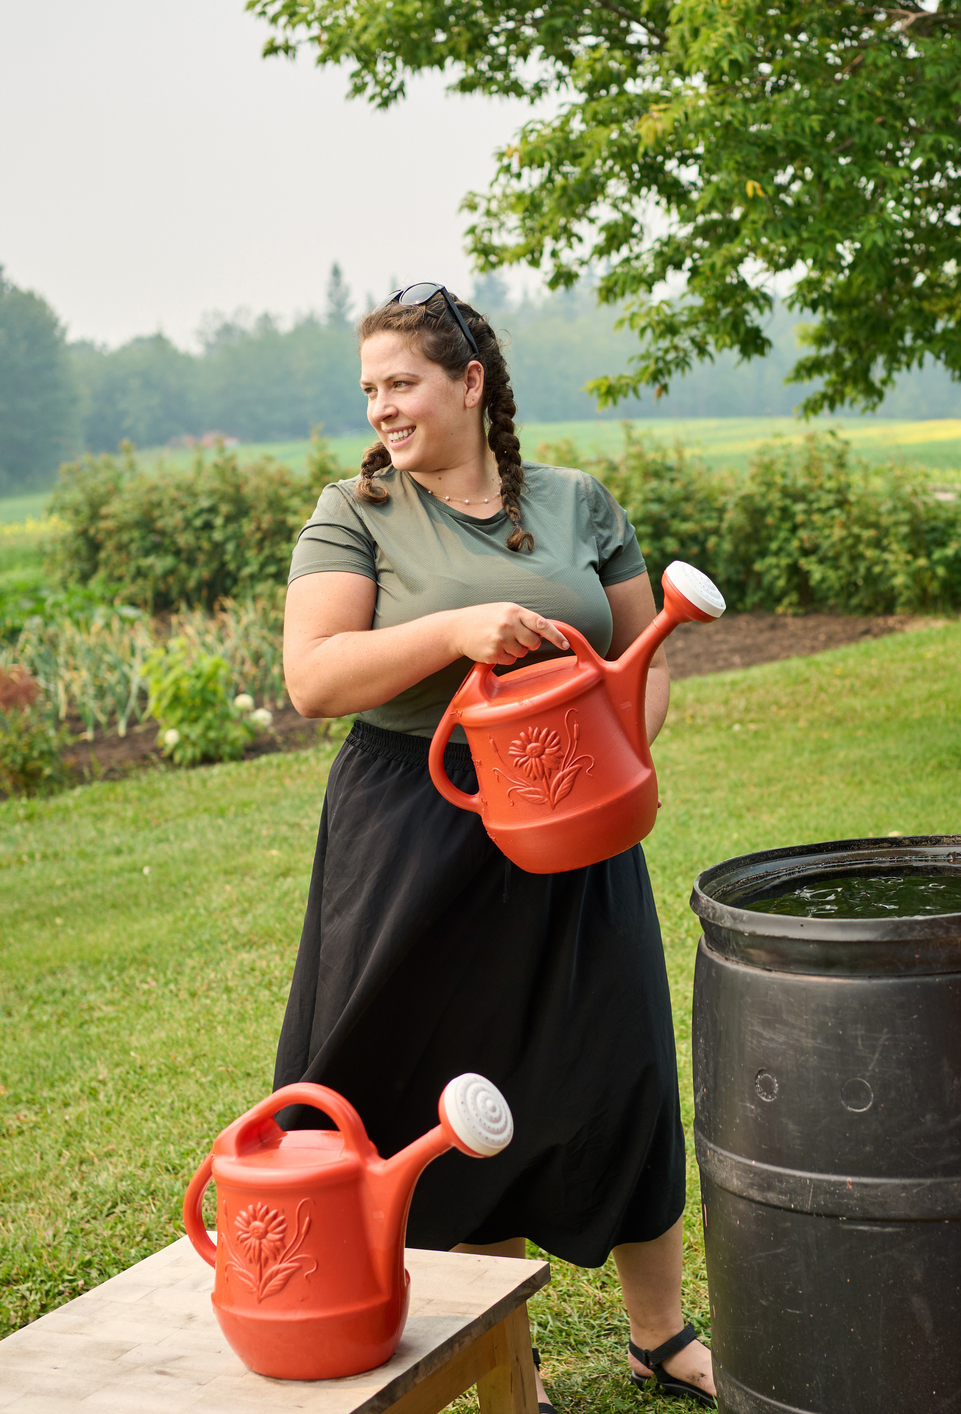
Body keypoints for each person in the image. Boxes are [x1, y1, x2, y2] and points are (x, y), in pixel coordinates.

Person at [275, 283, 716, 1411]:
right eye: (370, 387)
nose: (382, 406)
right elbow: (316, 677)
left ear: (470, 382)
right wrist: (453, 630)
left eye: (403, 382)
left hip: (571, 818)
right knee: (442, 1089)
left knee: (617, 1062)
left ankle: (659, 1339)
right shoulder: (354, 512)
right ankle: (501, 1363)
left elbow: (644, 656)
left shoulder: (578, 502)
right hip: (420, 833)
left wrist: (603, 756)